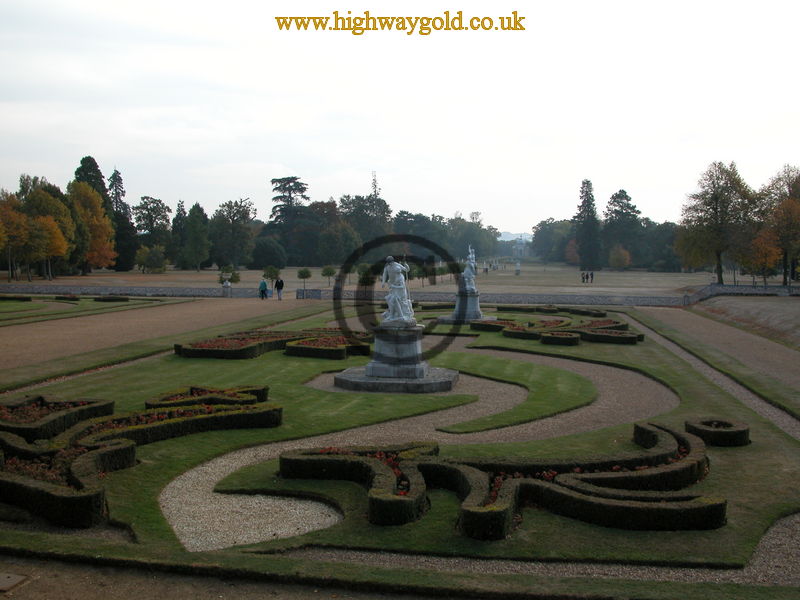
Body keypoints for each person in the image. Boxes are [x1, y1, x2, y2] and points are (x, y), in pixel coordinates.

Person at [380, 256, 415, 325]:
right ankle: (394, 314)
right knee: (391, 299)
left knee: (399, 300)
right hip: (392, 285)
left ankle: (399, 315)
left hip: (397, 286)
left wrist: (406, 266)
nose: (390, 264)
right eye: (389, 263)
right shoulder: (387, 267)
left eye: (390, 262)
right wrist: (383, 282)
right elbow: (384, 274)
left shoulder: (397, 266)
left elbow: (406, 270)